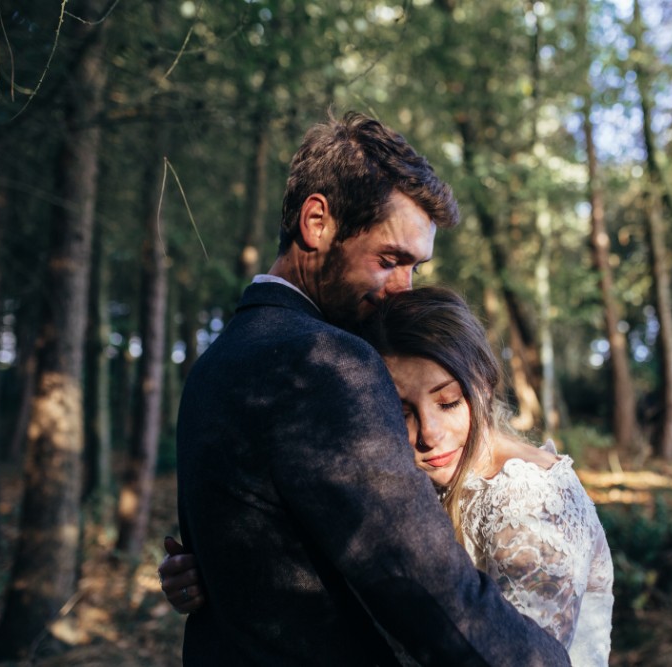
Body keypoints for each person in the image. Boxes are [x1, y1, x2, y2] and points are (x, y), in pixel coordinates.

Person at [171, 110, 570, 665]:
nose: (402, 289)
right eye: (389, 260)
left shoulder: (215, 364)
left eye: (415, 267)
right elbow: (419, 582)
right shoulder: (323, 362)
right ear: (317, 222)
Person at [163, 287, 614, 666]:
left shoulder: (530, 501)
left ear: (486, 383)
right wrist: (223, 570)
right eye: (400, 414)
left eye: (449, 401)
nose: (430, 436)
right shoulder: (400, 488)